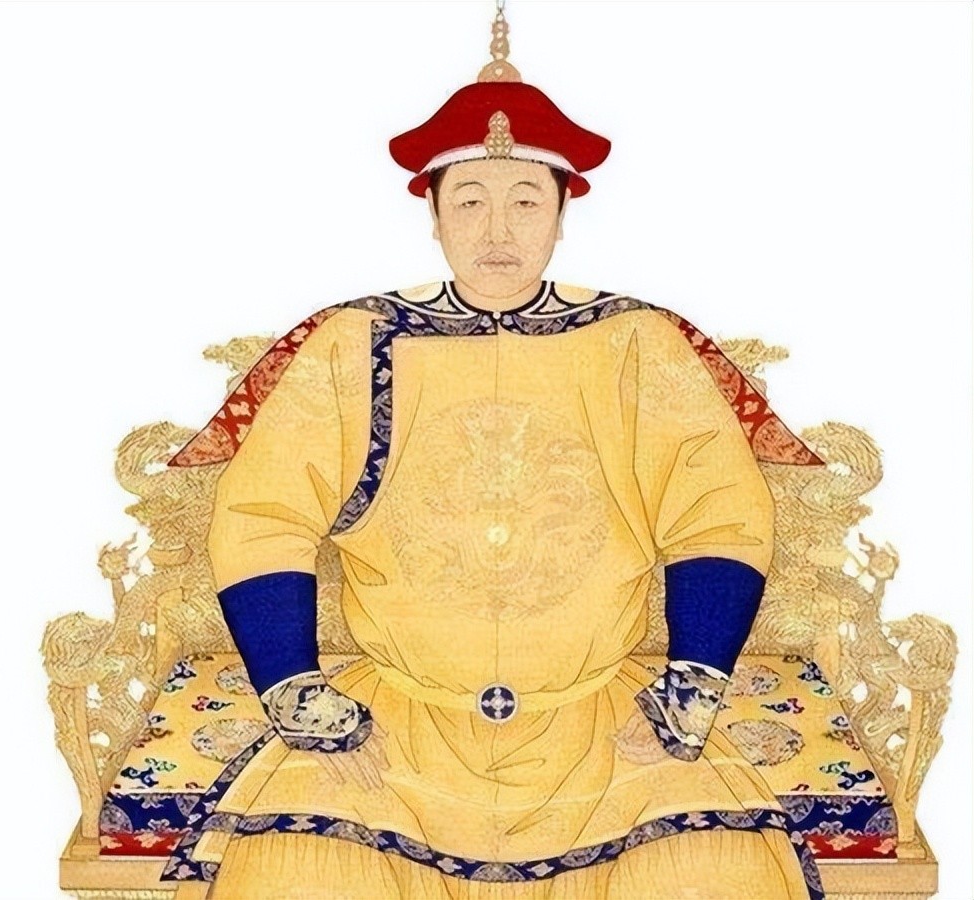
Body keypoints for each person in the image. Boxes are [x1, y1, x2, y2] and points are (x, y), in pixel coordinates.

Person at [160, 13, 825, 900]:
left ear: (562, 215)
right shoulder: (354, 342)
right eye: (470, 201)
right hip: (393, 717)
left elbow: (716, 510)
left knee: (713, 875)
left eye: (526, 202)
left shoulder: (637, 342)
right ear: (434, 216)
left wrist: (690, 683)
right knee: (297, 877)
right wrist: (297, 691)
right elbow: (264, 516)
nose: (498, 229)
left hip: (602, 717)